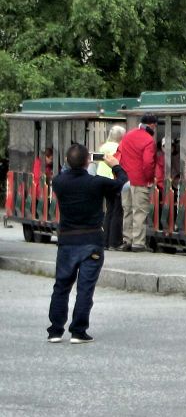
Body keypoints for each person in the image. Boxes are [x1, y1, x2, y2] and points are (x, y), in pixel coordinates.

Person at [47, 144, 119, 344]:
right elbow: (123, 183)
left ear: (67, 162)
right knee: (85, 288)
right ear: (89, 161)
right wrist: (115, 165)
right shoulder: (96, 183)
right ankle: (78, 331)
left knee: (61, 285)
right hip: (91, 240)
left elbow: (66, 172)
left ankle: (55, 330)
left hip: (67, 241)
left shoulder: (58, 182)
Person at [117, 114, 158, 252]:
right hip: (140, 181)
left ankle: (127, 240)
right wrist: (149, 179)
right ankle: (138, 243)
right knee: (139, 211)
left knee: (127, 210)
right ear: (152, 125)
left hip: (125, 180)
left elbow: (119, 154)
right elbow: (148, 163)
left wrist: (121, 174)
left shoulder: (128, 135)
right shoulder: (148, 140)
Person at [98, 125, 126, 249]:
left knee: (108, 211)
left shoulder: (103, 147)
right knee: (117, 211)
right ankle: (114, 241)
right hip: (113, 180)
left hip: (102, 180)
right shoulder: (118, 148)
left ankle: (104, 241)